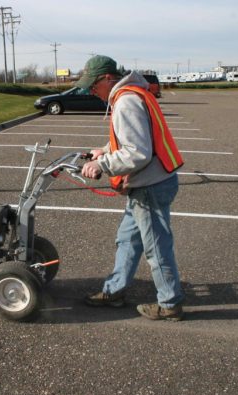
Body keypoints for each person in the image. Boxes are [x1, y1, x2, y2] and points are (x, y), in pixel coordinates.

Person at [77, 55, 185, 321]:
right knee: (127, 239)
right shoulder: (133, 93)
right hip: (149, 183)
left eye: (93, 86)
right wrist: (104, 150)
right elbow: (133, 138)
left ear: (107, 78)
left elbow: (137, 153)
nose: (92, 92)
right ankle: (114, 291)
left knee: (156, 247)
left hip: (150, 186)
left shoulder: (126, 101)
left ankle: (169, 304)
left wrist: (102, 164)